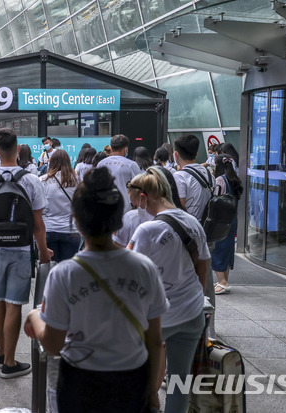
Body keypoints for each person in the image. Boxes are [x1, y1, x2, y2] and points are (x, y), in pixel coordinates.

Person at [25, 167, 167, 413]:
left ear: (77, 221)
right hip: (132, 383)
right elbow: (155, 342)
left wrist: (34, 317)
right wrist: (152, 395)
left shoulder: (65, 274)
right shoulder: (145, 268)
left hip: (81, 384)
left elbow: (53, 345)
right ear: (118, 220)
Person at [0, 128, 52, 379]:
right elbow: (38, 224)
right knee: (15, 303)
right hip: (21, 250)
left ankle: (1, 353)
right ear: (17, 150)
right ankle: (10, 363)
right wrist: (44, 252)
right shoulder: (31, 179)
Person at [127, 167, 210, 413]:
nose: (137, 209)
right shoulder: (192, 222)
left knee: (145, 383)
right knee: (179, 383)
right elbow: (202, 269)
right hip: (193, 313)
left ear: (143, 197)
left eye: (135, 204)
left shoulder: (147, 230)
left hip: (159, 318)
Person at [41, 149, 81, 262]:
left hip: (48, 228)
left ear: (51, 162)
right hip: (71, 229)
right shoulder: (77, 181)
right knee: (68, 270)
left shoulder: (42, 181)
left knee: (50, 269)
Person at [211, 155, 243, 295]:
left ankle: (223, 282)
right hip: (232, 219)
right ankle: (223, 280)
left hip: (221, 220)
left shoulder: (219, 180)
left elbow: (215, 199)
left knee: (218, 250)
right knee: (227, 249)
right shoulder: (233, 179)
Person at [172, 134, 215, 220]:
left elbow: (178, 209)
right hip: (206, 228)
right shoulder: (209, 174)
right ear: (196, 155)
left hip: (189, 228)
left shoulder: (179, 177)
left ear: (176, 154)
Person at [97, 134, 143, 214]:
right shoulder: (131, 165)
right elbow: (139, 188)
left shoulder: (100, 164)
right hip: (125, 211)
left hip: (103, 209)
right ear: (126, 149)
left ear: (111, 149)